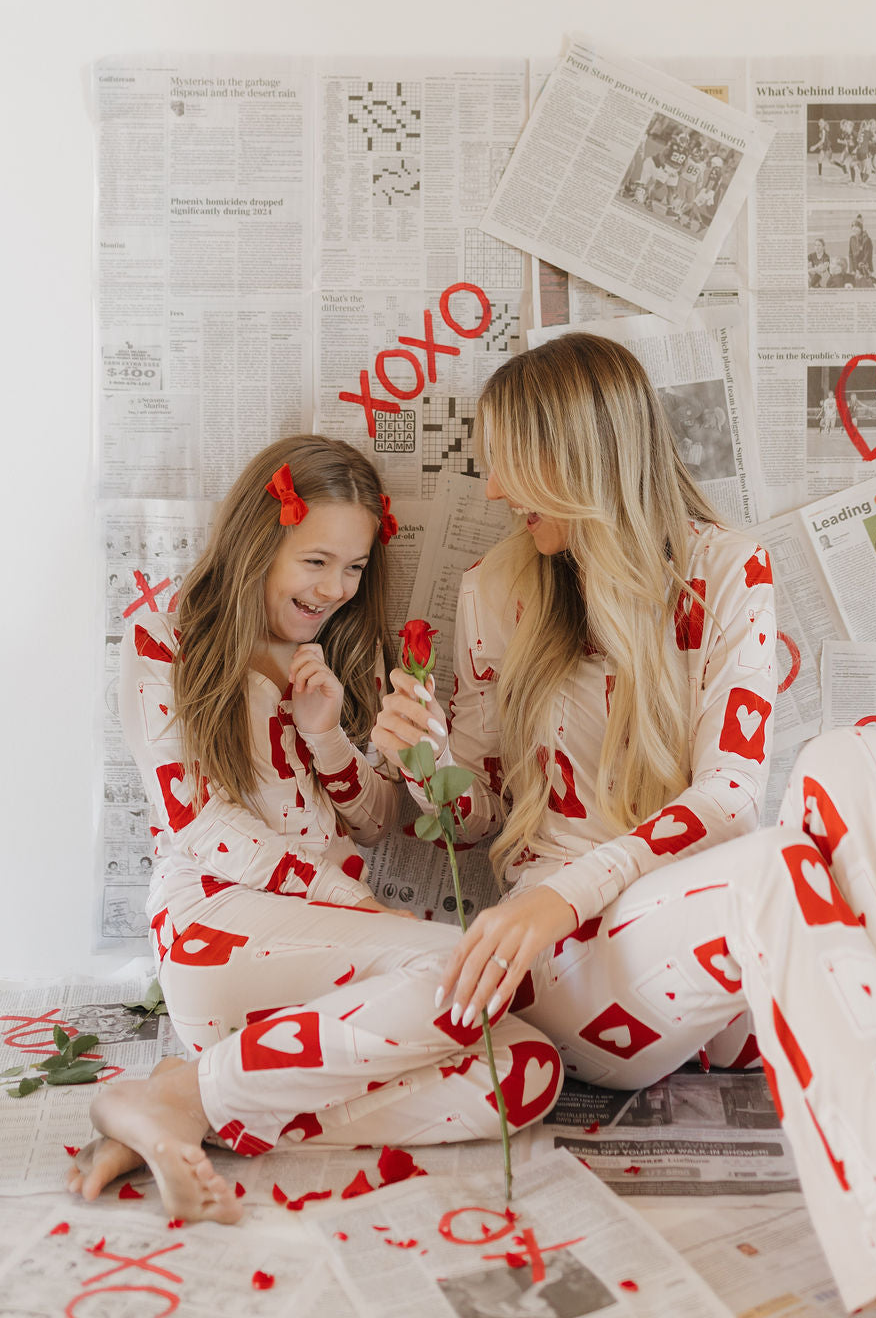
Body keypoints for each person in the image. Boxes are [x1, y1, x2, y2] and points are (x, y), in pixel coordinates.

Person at [375, 335, 876, 1318]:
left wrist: (570, 890)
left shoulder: (728, 570)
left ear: (580, 455)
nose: (499, 487)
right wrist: (422, 760)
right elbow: (481, 816)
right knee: (770, 868)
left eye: (512, 456)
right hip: (585, 979)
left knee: (858, 758)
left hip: (707, 954)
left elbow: (727, 795)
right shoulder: (491, 591)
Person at [68, 435, 562, 1223]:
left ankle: (188, 1105)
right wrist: (350, 902)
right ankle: (179, 1090)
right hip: (217, 928)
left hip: (326, 967)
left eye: (355, 568)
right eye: (316, 561)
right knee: (479, 973)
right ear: (262, 541)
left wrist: (329, 734)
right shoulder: (166, 639)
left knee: (525, 1075)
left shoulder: (340, 653)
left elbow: (376, 823)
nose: (337, 587)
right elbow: (197, 825)